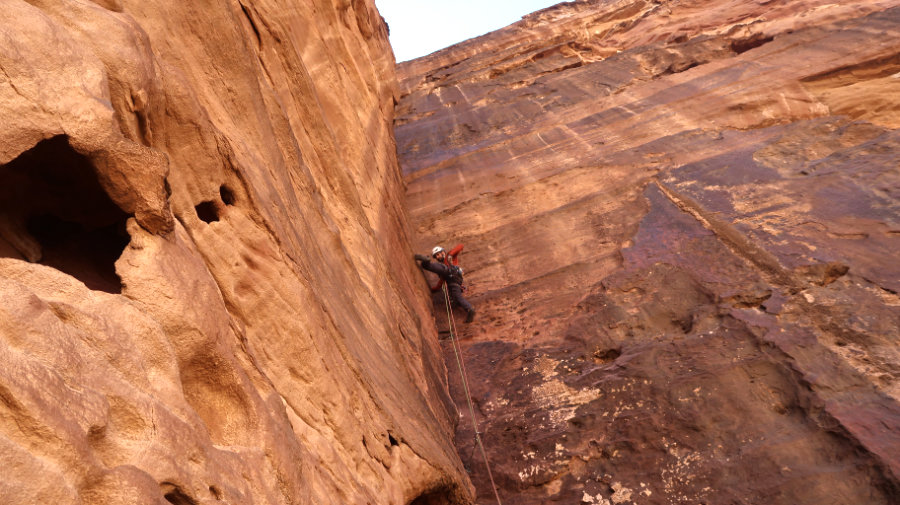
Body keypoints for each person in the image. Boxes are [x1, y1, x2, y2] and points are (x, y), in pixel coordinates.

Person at [415, 245, 476, 323]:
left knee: (427, 266)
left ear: (443, 252)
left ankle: (426, 261)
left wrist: (450, 255)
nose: (437, 257)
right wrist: (434, 289)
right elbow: (442, 280)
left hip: (452, 275)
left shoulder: (448, 257)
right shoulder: (441, 265)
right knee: (456, 298)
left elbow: (460, 246)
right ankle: (469, 309)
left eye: (438, 254)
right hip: (454, 282)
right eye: (436, 256)